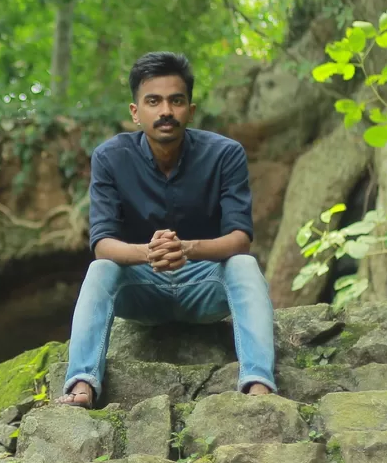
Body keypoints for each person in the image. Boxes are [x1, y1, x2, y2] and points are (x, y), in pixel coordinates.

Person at [58, 51, 276, 408]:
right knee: (101, 269)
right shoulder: (110, 158)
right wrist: (148, 252)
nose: (165, 111)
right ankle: (82, 384)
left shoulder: (225, 155)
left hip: (204, 288)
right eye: (153, 101)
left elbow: (240, 239)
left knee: (244, 266)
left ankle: (259, 384)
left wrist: (187, 249)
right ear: (135, 112)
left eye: (176, 101)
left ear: (190, 109)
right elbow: (102, 244)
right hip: (142, 291)